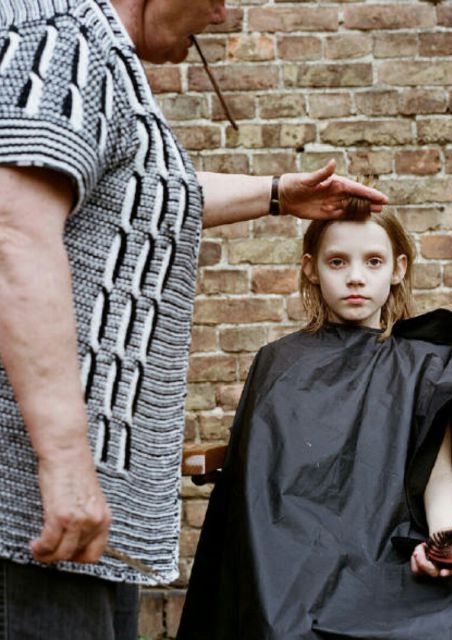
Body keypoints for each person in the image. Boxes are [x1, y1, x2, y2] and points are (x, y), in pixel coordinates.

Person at [0, 0, 388, 638]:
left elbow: (136, 191)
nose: (220, 14)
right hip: (28, 502)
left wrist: (276, 194)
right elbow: (14, 238)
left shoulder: (97, 53)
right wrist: (65, 463)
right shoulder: (62, 39)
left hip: (75, 499)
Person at [177, 202, 452, 639]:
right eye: (337, 262)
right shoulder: (278, 363)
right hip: (290, 567)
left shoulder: (427, 366)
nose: (355, 277)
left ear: (397, 269)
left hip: (390, 561)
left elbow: (438, 477)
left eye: (373, 261)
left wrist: (439, 541)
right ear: (311, 268)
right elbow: (259, 489)